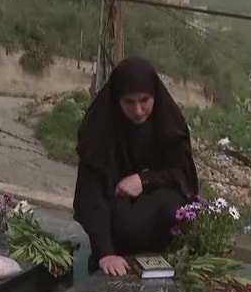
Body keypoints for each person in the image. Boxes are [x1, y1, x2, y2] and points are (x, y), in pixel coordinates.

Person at [73, 57, 199, 277]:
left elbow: (183, 176)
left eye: (144, 100)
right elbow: (91, 194)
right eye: (129, 102)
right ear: (116, 100)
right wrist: (105, 253)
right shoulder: (100, 130)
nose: (138, 110)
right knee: (126, 221)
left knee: (172, 205)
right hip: (117, 228)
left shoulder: (168, 125)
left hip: (160, 227)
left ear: (155, 96)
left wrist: (144, 180)